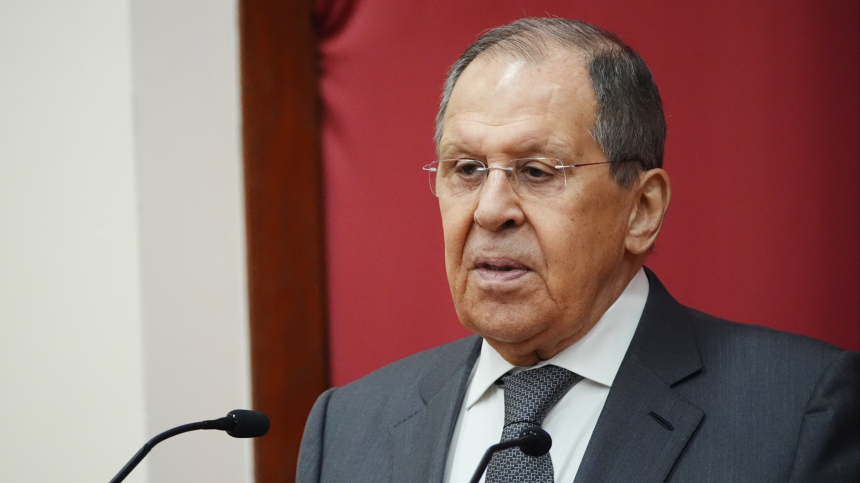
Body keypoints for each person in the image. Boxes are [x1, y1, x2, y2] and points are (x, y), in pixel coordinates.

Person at [297, 18, 859, 482]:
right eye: (466, 169)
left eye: (537, 171)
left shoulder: (797, 412)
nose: (490, 211)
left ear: (642, 210)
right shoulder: (347, 427)